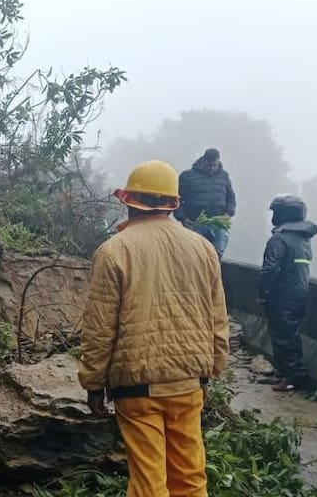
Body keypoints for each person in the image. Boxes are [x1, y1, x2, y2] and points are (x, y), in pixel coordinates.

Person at [79, 160, 229, 497]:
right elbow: (217, 318)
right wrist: (211, 371)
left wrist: (93, 382)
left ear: (128, 200)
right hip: (188, 384)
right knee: (190, 480)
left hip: (138, 388)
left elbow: (100, 329)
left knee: (149, 485)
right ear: (174, 204)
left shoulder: (114, 251)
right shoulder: (203, 248)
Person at [258, 194, 317, 392]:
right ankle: (283, 372)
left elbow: (270, 269)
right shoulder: (303, 240)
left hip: (281, 295)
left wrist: (263, 292)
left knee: (284, 336)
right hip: (299, 293)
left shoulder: (279, 239)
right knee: (288, 334)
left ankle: (293, 375)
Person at [174, 148, 236, 256]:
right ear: (203, 161)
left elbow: (231, 198)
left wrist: (228, 213)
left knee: (217, 255)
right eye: (209, 165)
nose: (212, 168)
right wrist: (183, 218)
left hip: (218, 224)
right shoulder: (187, 176)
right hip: (195, 224)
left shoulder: (224, 176)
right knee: (196, 255)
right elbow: (176, 199)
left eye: (214, 165)